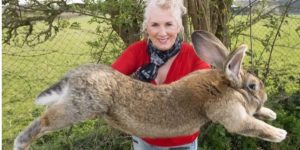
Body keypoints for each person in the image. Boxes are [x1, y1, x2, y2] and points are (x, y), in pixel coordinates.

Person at [111, 0, 210, 149]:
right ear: (147, 27)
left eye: (168, 24)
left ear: (178, 26)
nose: (162, 33)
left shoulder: (194, 56)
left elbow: (204, 98)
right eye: (155, 25)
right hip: (144, 139)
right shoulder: (137, 51)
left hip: (182, 142)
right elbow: (107, 81)